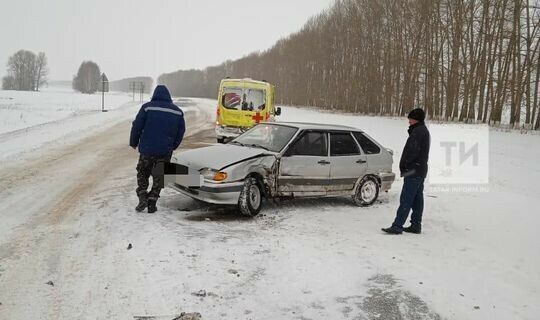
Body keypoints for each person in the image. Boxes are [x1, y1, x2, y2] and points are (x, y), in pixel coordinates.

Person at [129, 85, 185, 213]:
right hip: (165, 150)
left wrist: (133, 142)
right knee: (160, 175)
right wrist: (173, 145)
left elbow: (137, 126)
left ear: (154, 94)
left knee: (142, 172)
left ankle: (142, 195)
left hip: (147, 149)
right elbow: (180, 132)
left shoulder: (147, 107)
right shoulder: (177, 112)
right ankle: (152, 201)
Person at [382, 108, 430, 235]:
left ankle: (397, 226)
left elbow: (411, 152)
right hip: (420, 170)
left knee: (406, 198)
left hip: (413, 170)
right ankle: (416, 225)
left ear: (416, 119)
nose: (408, 121)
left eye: (410, 119)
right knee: (417, 198)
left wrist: (405, 166)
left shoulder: (418, 132)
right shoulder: (422, 131)